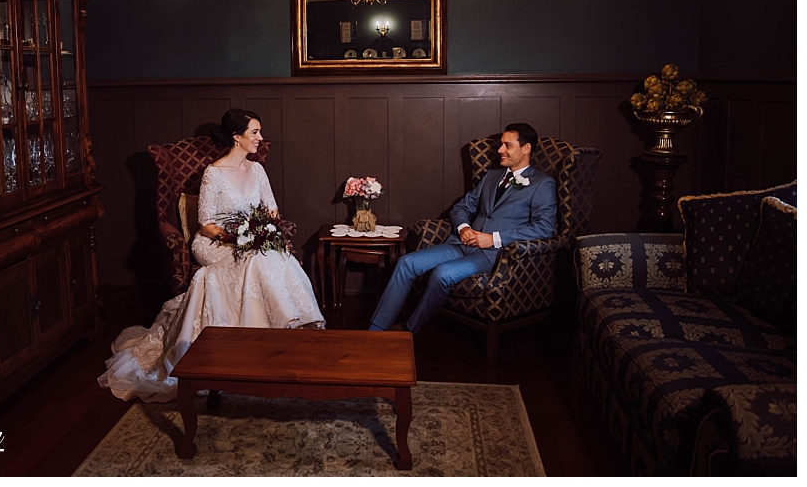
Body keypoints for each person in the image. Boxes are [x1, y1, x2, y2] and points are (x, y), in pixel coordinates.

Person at [98, 109, 324, 402]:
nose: (260, 138)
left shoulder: (257, 170)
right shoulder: (213, 173)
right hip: (215, 243)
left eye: (259, 132)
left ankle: (288, 342)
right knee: (257, 260)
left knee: (277, 258)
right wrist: (237, 238)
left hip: (250, 240)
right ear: (236, 137)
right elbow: (205, 224)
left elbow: (272, 209)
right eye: (255, 132)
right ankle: (251, 351)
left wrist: (263, 230)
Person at [368, 123, 557, 333]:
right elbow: (461, 208)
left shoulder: (542, 184)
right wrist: (464, 228)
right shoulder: (491, 176)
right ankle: (375, 332)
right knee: (406, 263)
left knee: (442, 274)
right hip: (461, 244)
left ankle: (409, 330)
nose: (500, 150)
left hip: (496, 255)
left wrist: (494, 238)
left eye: (507, 145)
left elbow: (545, 228)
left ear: (526, 148)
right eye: (501, 144)